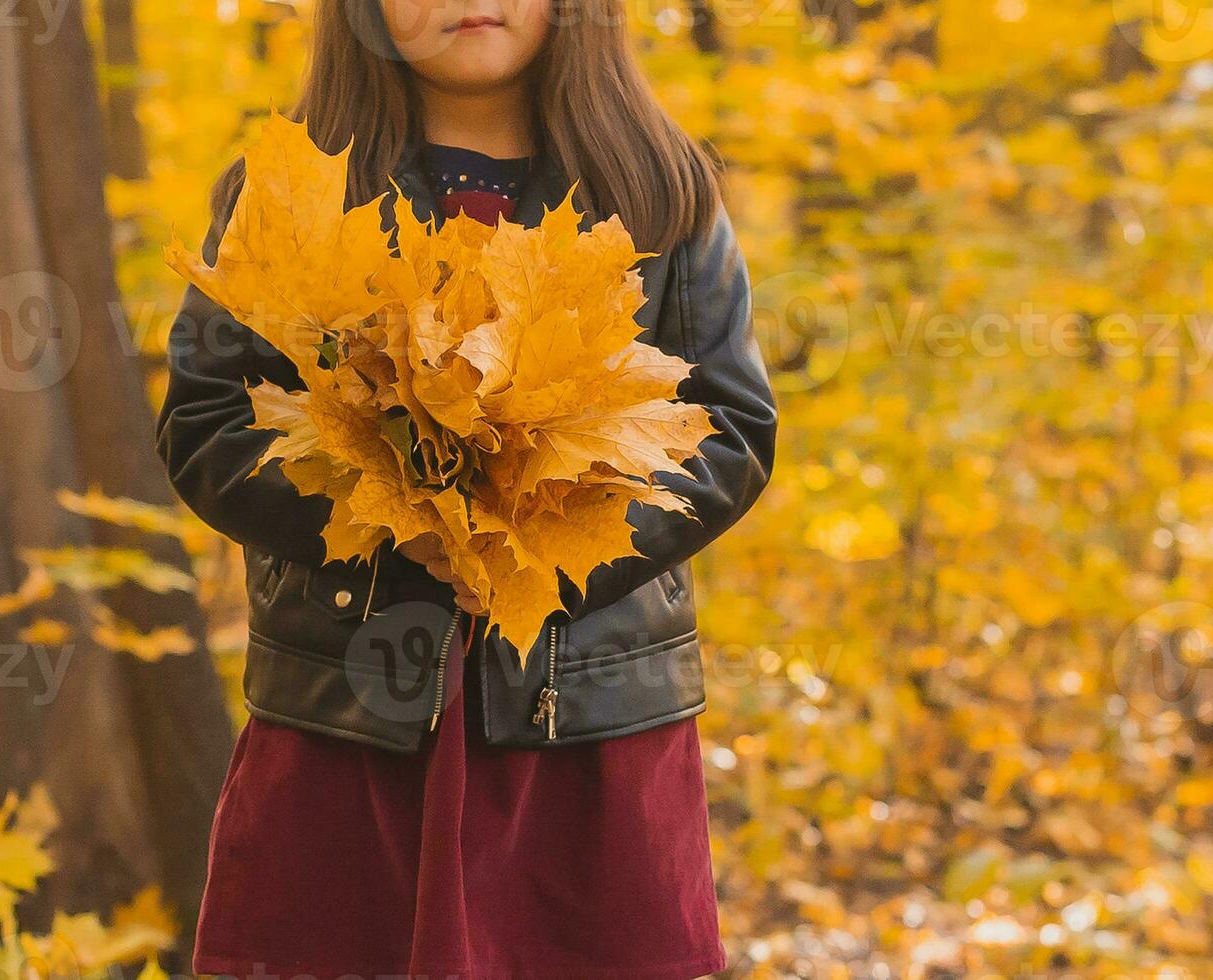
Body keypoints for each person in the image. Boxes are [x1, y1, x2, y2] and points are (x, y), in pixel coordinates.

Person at [155, 1, 778, 976]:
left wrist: (541, 548)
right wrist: (377, 517)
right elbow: (205, 421)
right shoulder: (284, 193)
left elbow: (730, 428)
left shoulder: (659, 188)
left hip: (590, 729)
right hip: (346, 713)